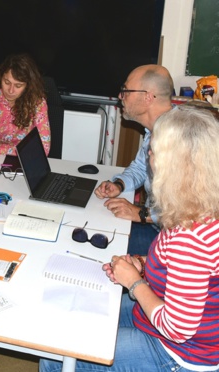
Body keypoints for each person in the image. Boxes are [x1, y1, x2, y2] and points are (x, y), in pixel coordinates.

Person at [40, 105, 219, 372]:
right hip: (170, 312)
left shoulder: (190, 235)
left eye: (154, 151)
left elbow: (177, 329)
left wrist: (133, 282)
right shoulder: (198, 206)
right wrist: (144, 264)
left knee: (56, 358)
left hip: (181, 354)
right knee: (81, 315)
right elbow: (193, 271)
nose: (148, 154)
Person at [94, 65, 173, 255]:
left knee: (103, 248)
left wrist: (141, 214)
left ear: (147, 97)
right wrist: (120, 184)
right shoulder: (155, 129)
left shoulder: (178, 140)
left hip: (172, 240)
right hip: (155, 225)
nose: (121, 97)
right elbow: (140, 168)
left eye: (126, 91)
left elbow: (190, 209)